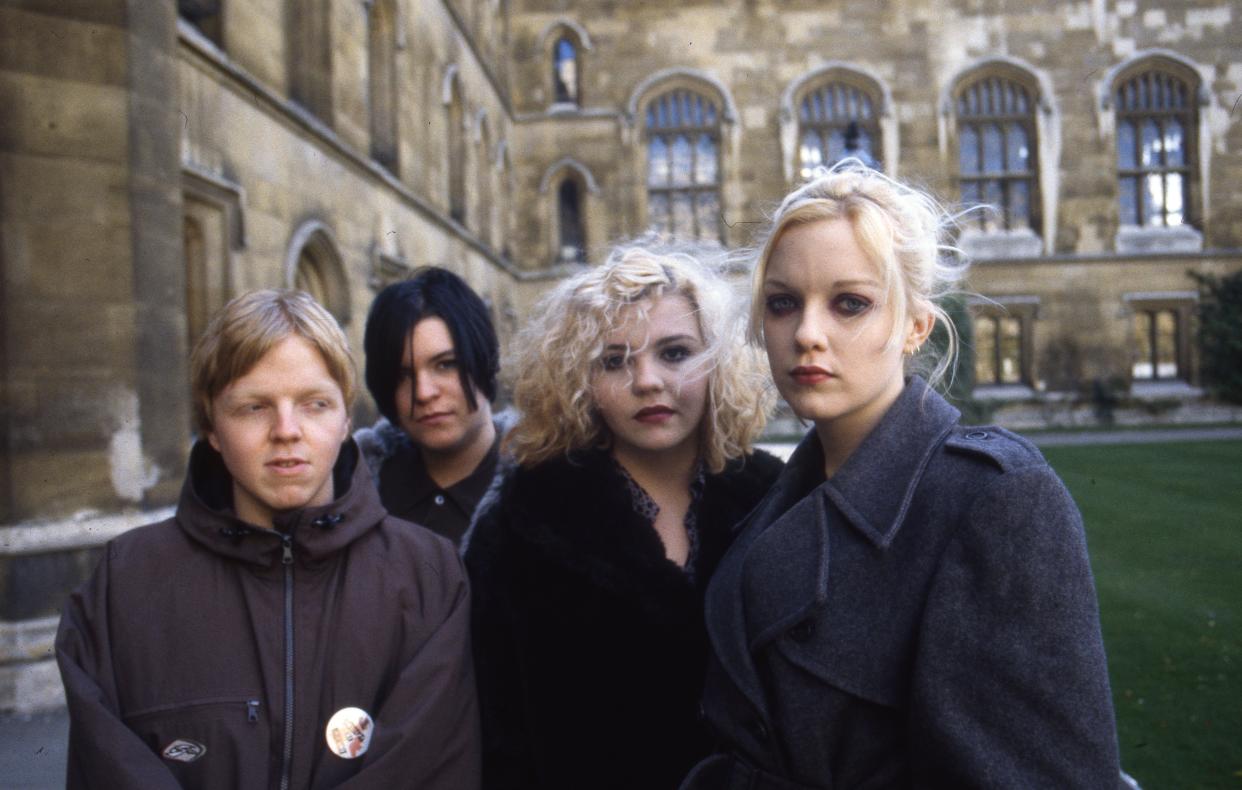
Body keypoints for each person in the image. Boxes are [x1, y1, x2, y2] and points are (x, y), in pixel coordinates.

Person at [680, 162, 1124, 788]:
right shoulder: (770, 501)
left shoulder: (993, 496)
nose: (807, 333)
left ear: (915, 325)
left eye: (849, 303)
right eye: (783, 303)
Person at [56, 290, 480, 790]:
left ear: (346, 419)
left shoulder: (427, 573)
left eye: (314, 404)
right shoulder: (126, 581)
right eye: (254, 407)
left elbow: (425, 766)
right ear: (211, 425)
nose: (286, 431)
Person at [463, 244, 784, 790]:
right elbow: (495, 733)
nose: (647, 381)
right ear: (579, 381)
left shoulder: (774, 503)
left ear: (717, 361)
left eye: (675, 353)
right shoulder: (523, 527)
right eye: (615, 361)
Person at [355, 267, 509, 544]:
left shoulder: (549, 489)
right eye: (403, 375)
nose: (424, 393)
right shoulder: (352, 493)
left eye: (446, 365)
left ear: (483, 359)